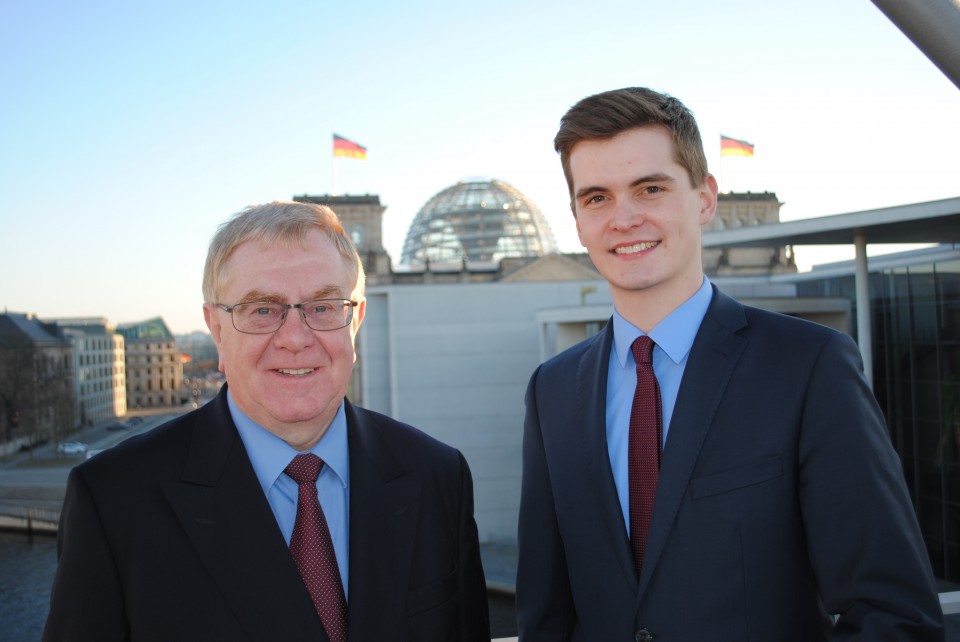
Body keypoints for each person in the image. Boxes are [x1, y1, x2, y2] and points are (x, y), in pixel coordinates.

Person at [516, 87, 944, 641]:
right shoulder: (551, 391)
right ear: (576, 218)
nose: (624, 218)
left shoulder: (809, 367)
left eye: (650, 188)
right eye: (597, 197)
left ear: (704, 198)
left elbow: (895, 613)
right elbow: (545, 619)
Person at [43, 201, 490, 642]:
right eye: (262, 310)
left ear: (356, 321)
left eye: (323, 306)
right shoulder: (112, 500)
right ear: (216, 328)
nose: (295, 338)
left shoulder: (438, 476)